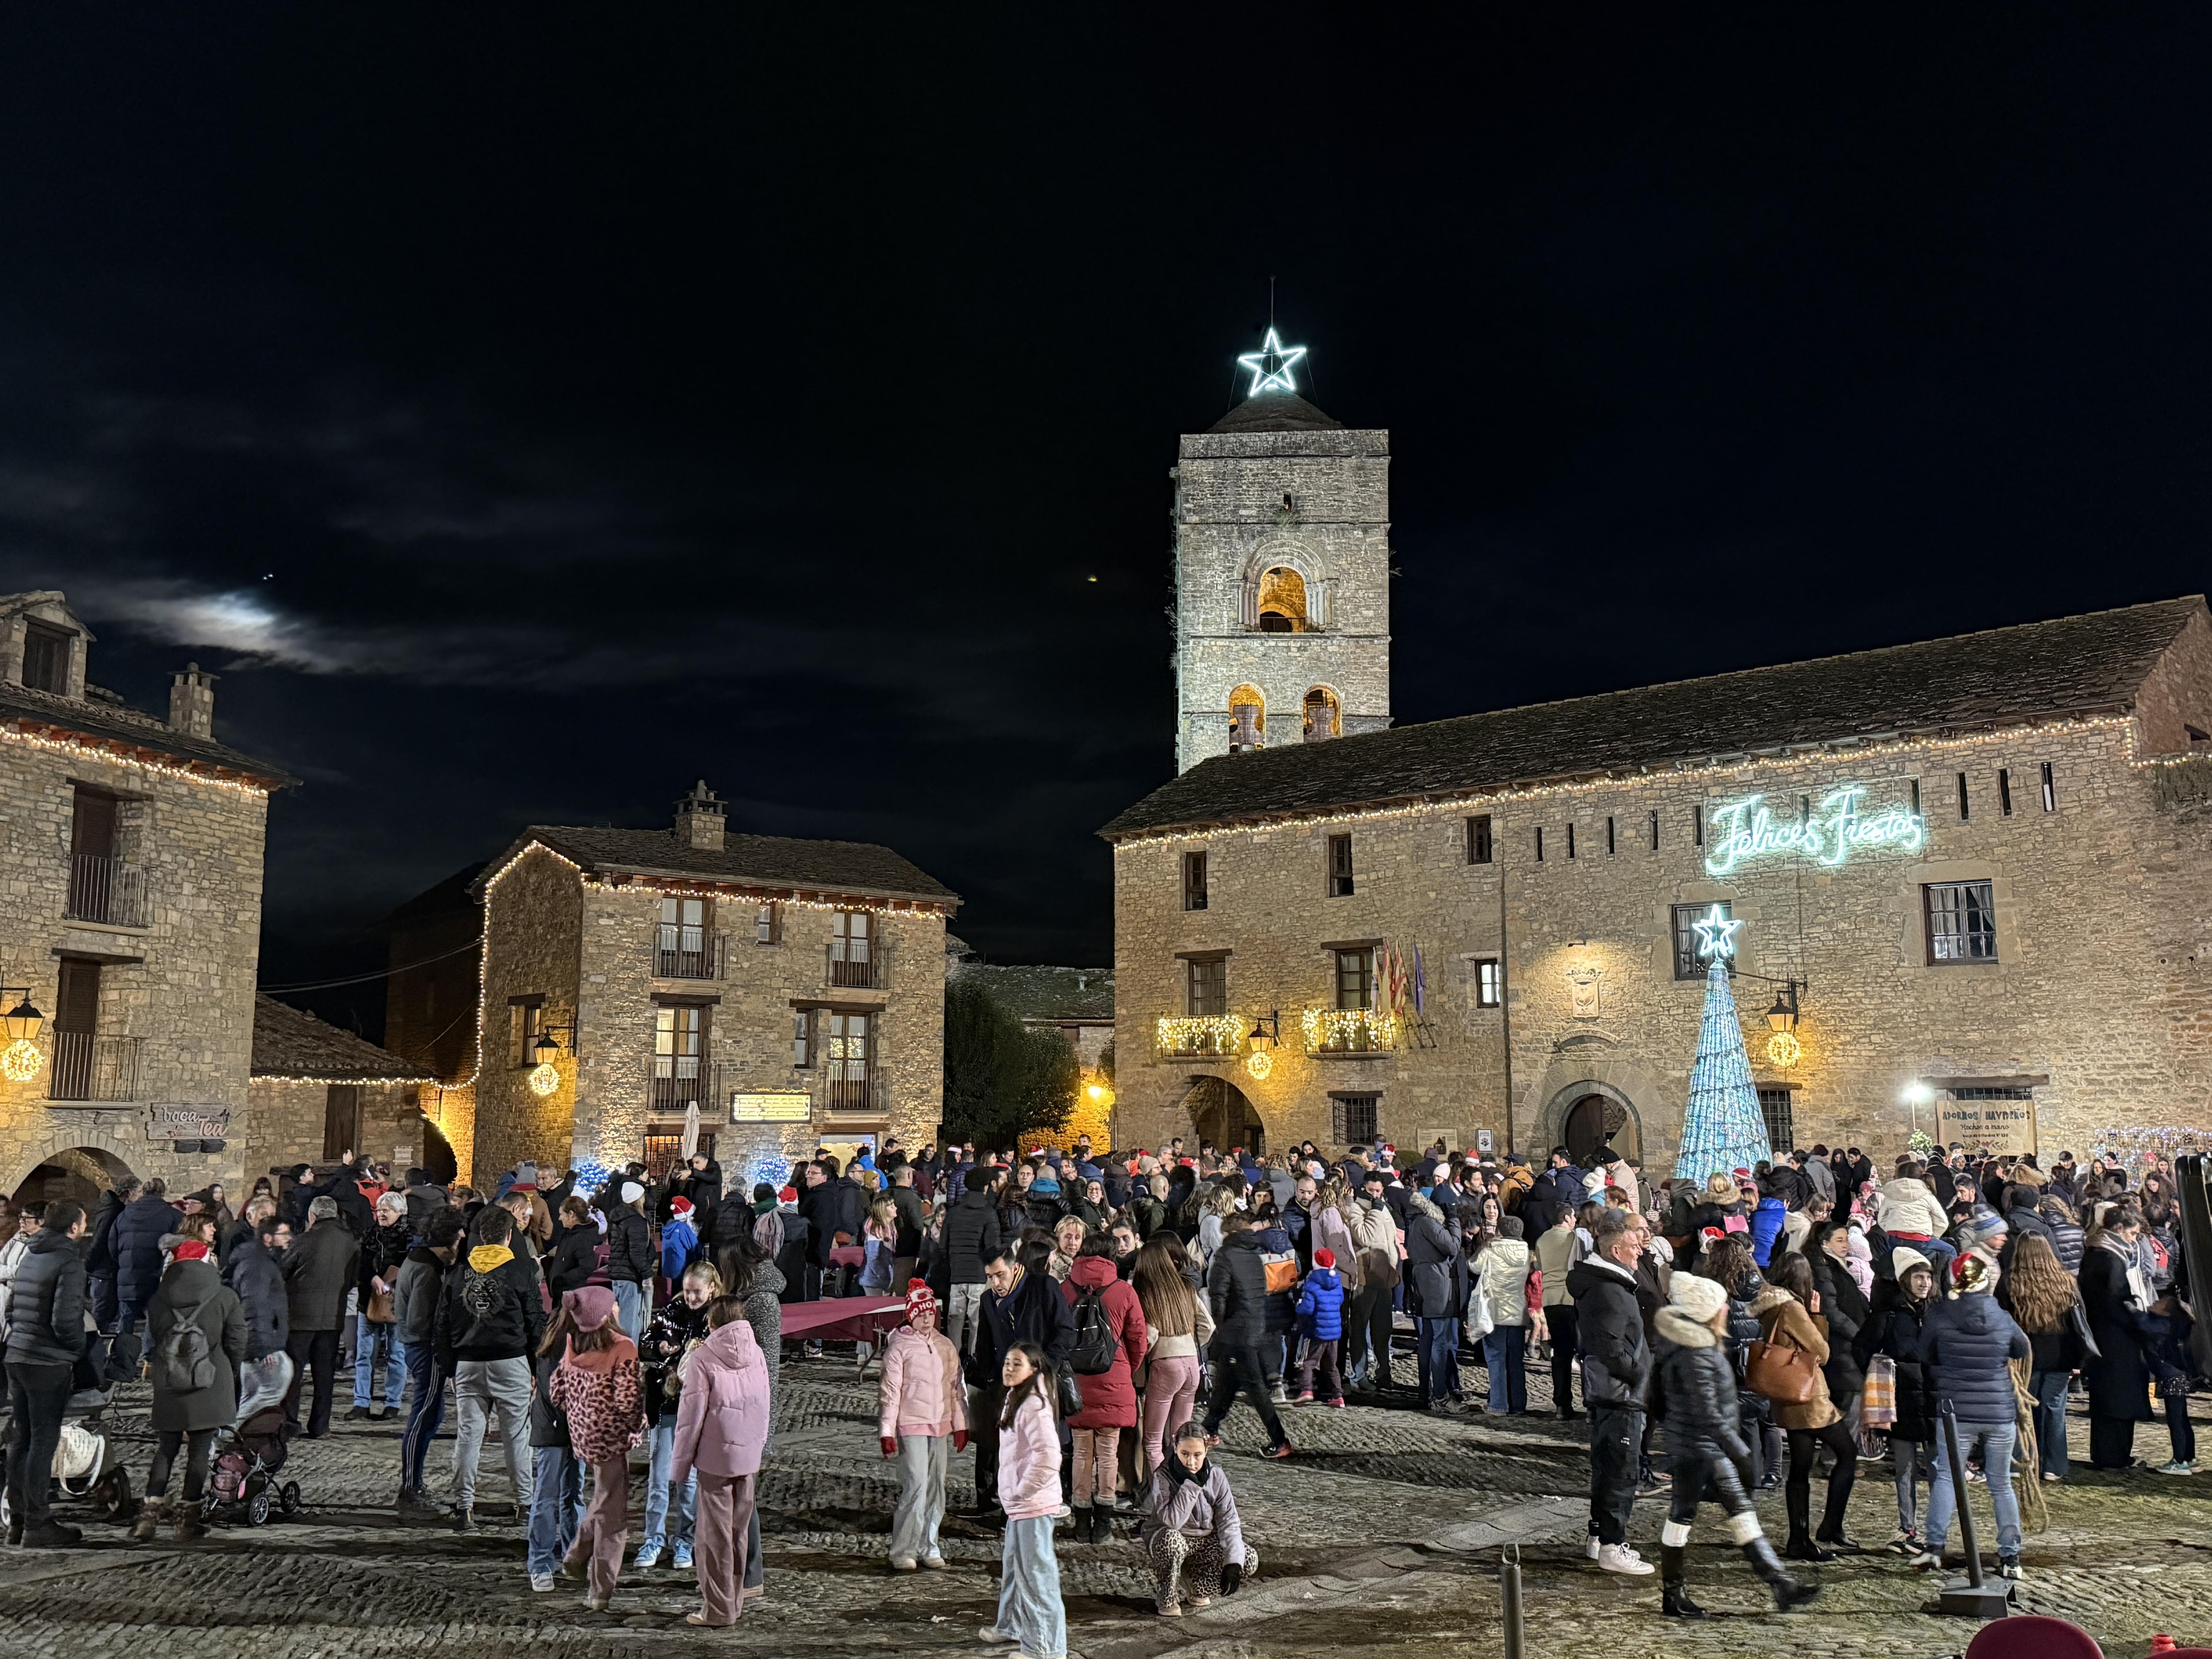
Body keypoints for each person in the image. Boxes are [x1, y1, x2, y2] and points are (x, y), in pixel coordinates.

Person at [1649, 1273, 1817, 1616]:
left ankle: (1780, 1585)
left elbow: (1658, 1402)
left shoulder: (1688, 1346)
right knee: (1688, 1517)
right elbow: (1709, 1414)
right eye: (1720, 1305)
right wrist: (1741, 1453)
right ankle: (1676, 1595)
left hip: (1699, 1447)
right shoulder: (1697, 1354)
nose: (1726, 1310)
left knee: (1731, 1513)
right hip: (1701, 1451)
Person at [1910, 1253, 2032, 1580]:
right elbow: (2021, 1348)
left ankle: (1935, 1546)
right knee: (2001, 1484)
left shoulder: (1940, 1315)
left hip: (1955, 1410)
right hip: (1998, 1409)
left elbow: (1924, 1353)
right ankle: (2011, 1556)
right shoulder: (2001, 1316)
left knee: (1947, 1477)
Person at [436, 1204, 545, 1530]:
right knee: (517, 1437)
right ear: (509, 1237)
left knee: (468, 1437)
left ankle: (465, 1507)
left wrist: (449, 1367)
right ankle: (524, 1504)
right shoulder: (520, 1271)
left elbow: (442, 1323)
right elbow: (535, 1322)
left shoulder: (458, 1272)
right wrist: (536, 1368)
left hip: (469, 1362)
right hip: (511, 1360)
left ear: (482, 1236)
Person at [131, 1234, 247, 1544]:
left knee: (166, 1448)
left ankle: (148, 1517)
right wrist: (229, 1370)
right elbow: (237, 1339)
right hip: (209, 1378)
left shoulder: (159, 1298)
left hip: (170, 1378)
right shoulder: (224, 1295)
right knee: (199, 1450)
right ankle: (186, 1521)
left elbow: (155, 1336)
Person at [1752, 1252, 1858, 1559]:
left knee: (1800, 1468)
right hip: (1809, 1398)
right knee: (1847, 1453)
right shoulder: (1792, 1308)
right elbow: (1821, 1353)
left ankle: (1799, 1538)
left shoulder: (1770, 1305)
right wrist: (1816, 1315)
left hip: (1788, 1397)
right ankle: (1829, 1527)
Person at [546, 1286, 644, 1612]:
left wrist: (581, 1410)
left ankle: (577, 1555)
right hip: (612, 1440)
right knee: (613, 1519)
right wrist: (640, 1424)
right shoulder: (623, 1348)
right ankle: (599, 1590)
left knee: (603, 1497)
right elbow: (628, 1402)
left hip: (584, 1439)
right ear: (605, 1316)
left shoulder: (574, 1344)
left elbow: (557, 1391)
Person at [1568, 1207, 1654, 1575]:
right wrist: (1639, 1376)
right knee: (1620, 1472)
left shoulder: (1610, 1286)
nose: (1641, 1251)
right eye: (1634, 1246)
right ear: (1616, 1251)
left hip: (1614, 1393)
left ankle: (1598, 1537)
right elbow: (1610, 1348)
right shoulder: (1610, 1291)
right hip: (1620, 1396)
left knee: (1607, 1469)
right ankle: (1612, 1545)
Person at [4, 1200, 88, 1547]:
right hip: (47, 1361)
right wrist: (77, 1348)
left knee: (21, 1439)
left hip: (18, 1354)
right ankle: (37, 1524)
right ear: (73, 1228)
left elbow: (11, 1309)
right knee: (42, 1440)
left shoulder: (31, 1255)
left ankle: (18, 1522)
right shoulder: (69, 1262)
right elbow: (65, 1320)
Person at [980, 1340, 1067, 1659]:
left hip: (1032, 1505)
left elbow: (1048, 1457)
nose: (1009, 1368)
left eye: (1017, 1364)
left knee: (1037, 1578)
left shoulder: (1033, 1406)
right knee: (1016, 1571)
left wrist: (1022, 1490)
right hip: (1020, 1505)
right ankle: (1012, 1626)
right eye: (1007, 1362)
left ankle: (1047, 1649)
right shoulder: (1017, 1398)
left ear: (1035, 1369)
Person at [1061, 1230, 1146, 1540]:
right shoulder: (1124, 1290)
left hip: (1077, 1381)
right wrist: (1126, 1369)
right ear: (1112, 1256)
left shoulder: (1065, 1288)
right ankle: (1103, 1526)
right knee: (1109, 1454)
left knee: (1081, 1452)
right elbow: (1138, 1338)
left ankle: (1082, 1523)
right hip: (1114, 1375)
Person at [878, 1278, 968, 1570]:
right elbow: (890, 1392)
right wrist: (887, 1431)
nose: (927, 1319)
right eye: (920, 1314)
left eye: (930, 1313)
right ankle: (904, 1549)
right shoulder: (899, 1347)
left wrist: (960, 1424)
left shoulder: (945, 1346)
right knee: (916, 1485)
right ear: (910, 1315)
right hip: (912, 1423)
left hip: (940, 1424)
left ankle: (929, 1545)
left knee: (936, 1487)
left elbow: (956, 1388)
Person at [1855, 1248, 1939, 1550]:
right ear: (1905, 1280)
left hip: (1934, 1399)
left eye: (1928, 1277)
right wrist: (1879, 1374)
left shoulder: (1936, 1313)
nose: (1924, 1283)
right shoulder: (1888, 1315)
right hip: (1902, 1400)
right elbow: (1862, 1348)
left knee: (1937, 1468)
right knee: (1905, 1468)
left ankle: (1937, 1530)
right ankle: (1908, 1529)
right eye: (1918, 1277)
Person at [638, 1261, 719, 1571]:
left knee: (689, 1482)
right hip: (664, 1407)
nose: (691, 1298)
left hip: (697, 1410)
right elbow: (644, 1345)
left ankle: (684, 1540)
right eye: (687, 1291)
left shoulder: (716, 1319)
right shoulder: (670, 1312)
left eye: (697, 1292)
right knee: (659, 1479)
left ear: (712, 1289)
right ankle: (653, 1539)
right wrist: (659, 1349)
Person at [1202, 1212, 1294, 1456]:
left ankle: (1280, 1440)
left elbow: (1219, 1295)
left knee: (1256, 1389)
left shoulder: (1226, 1256)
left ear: (1231, 1233)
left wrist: (1220, 1324)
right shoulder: (1255, 1255)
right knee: (1226, 1384)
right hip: (1253, 1327)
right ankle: (1209, 1428)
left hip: (1236, 1332)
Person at [1141, 1423, 1256, 1617]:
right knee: (1172, 1541)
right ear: (1175, 1448)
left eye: (1197, 1455)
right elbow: (1173, 1522)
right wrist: (1191, 1485)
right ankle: (1167, 1594)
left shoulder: (1216, 1475)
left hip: (1203, 1541)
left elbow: (1229, 1520)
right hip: (1170, 1538)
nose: (1191, 1462)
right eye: (1185, 1454)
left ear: (1206, 1452)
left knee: (1248, 1558)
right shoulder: (1163, 1475)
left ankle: (1196, 1584)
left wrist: (1233, 1563)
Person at [2000, 1233, 2087, 1483]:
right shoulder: (2066, 1281)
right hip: (2060, 1355)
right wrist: (2078, 1360)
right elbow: (2079, 1322)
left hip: (2024, 1357)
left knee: (2021, 1409)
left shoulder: (2010, 1282)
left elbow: (2002, 1321)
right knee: (2055, 1410)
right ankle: (2054, 1465)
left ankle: (2020, 1461)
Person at [2079, 1200, 2157, 1469]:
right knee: (2119, 1399)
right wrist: (2138, 1318)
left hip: (2103, 1336)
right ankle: (2116, 1455)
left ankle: (2107, 1454)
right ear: (2119, 1228)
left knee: (2106, 1400)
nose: (2134, 1240)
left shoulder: (2095, 1251)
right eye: (2133, 1234)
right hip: (2116, 1338)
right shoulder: (2110, 1258)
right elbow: (2115, 1301)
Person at [281, 1195, 360, 1439]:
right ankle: (320, 1426)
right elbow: (353, 1278)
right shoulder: (351, 1242)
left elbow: (283, 1271)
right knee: (325, 1375)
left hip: (301, 1317)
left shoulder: (304, 1241)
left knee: (294, 1374)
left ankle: (290, 1424)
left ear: (313, 1216)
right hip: (333, 1317)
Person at [1134, 1235, 1213, 1475]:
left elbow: (1149, 1335)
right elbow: (1208, 1326)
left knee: (1153, 1442)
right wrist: (1189, 1343)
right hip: (1191, 1364)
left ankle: (1163, 1491)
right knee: (1180, 1439)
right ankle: (1185, 1486)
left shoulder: (1145, 1294)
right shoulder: (1186, 1289)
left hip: (1166, 1363)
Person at [223, 1211, 293, 1425]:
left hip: (260, 1342)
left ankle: (238, 1440)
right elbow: (254, 1306)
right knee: (272, 1389)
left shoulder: (262, 1262)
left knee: (252, 1396)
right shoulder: (258, 1265)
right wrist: (263, 1347)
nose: (289, 1239)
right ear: (268, 1238)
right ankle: (228, 1436)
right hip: (261, 1344)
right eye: (284, 1234)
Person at [351, 1190, 410, 1422]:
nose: (382, 1214)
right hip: (369, 1301)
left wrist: (393, 1281)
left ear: (400, 1212)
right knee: (364, 1354)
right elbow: (361, 1262)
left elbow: (410, 1267)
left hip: (397, 1303)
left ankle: (393, 1402)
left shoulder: (410, 1237)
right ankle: (361, 1403)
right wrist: (372, 1278)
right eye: (379, 1210)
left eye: (387, 1210)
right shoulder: (370, 1235)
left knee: (396, 1354)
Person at [943, 1165, 1004, 1358]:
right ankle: (974, 1360)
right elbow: (992, 1248)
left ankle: (952, 1361)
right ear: (986, 1187)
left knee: (955, 1321)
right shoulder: (988, 1213)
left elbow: (943, 1245)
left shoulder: (953, 1213)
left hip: (957, 1275)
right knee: (978, 1323)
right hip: (980, 1276)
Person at [1476, 1216, 1534, 1415]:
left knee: (1496, 1358)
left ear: (1500, 1231)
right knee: (1516, 1360)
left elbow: (1474, 1266)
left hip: (1496, 1312)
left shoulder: (1492, 1249)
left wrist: (1486, 1245)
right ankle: (1518, 1404)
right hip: (1518, 1312)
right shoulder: (1527, 1252)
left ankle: (1498, 1404)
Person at [1534, 1206, 1582, 1419]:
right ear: (1567, 1217)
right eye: (1573, 1216)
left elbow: (1540, 1266)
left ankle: (1562, 1405)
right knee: (1583, 1352)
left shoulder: (1542, 1239)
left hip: (1550, 1299)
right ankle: (1591, 1406)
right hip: (1572, 1298)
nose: (1575, 1220)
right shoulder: (1573, 1238)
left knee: (1561, 1353)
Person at [1292, 1246, 1346, 1406]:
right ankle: (1338, 1396)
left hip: (1317, 1330)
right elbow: (1340, 1301)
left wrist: (1298, 1306)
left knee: (1308, 1362)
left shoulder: (1312, 1283)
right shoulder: (1338, 1283)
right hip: (1334, 1332)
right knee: (1331, 1366)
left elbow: (1307, 1309)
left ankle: (1306, 1390)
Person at [601, 1179, 654, 1339]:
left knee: (621, 1321)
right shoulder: (636, 1221)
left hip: (618, 1274)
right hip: (630, 1276)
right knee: (629, 1323)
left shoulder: (620, 1218)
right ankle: (629, 1353)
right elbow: (636, 1253)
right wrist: (647, 1273)